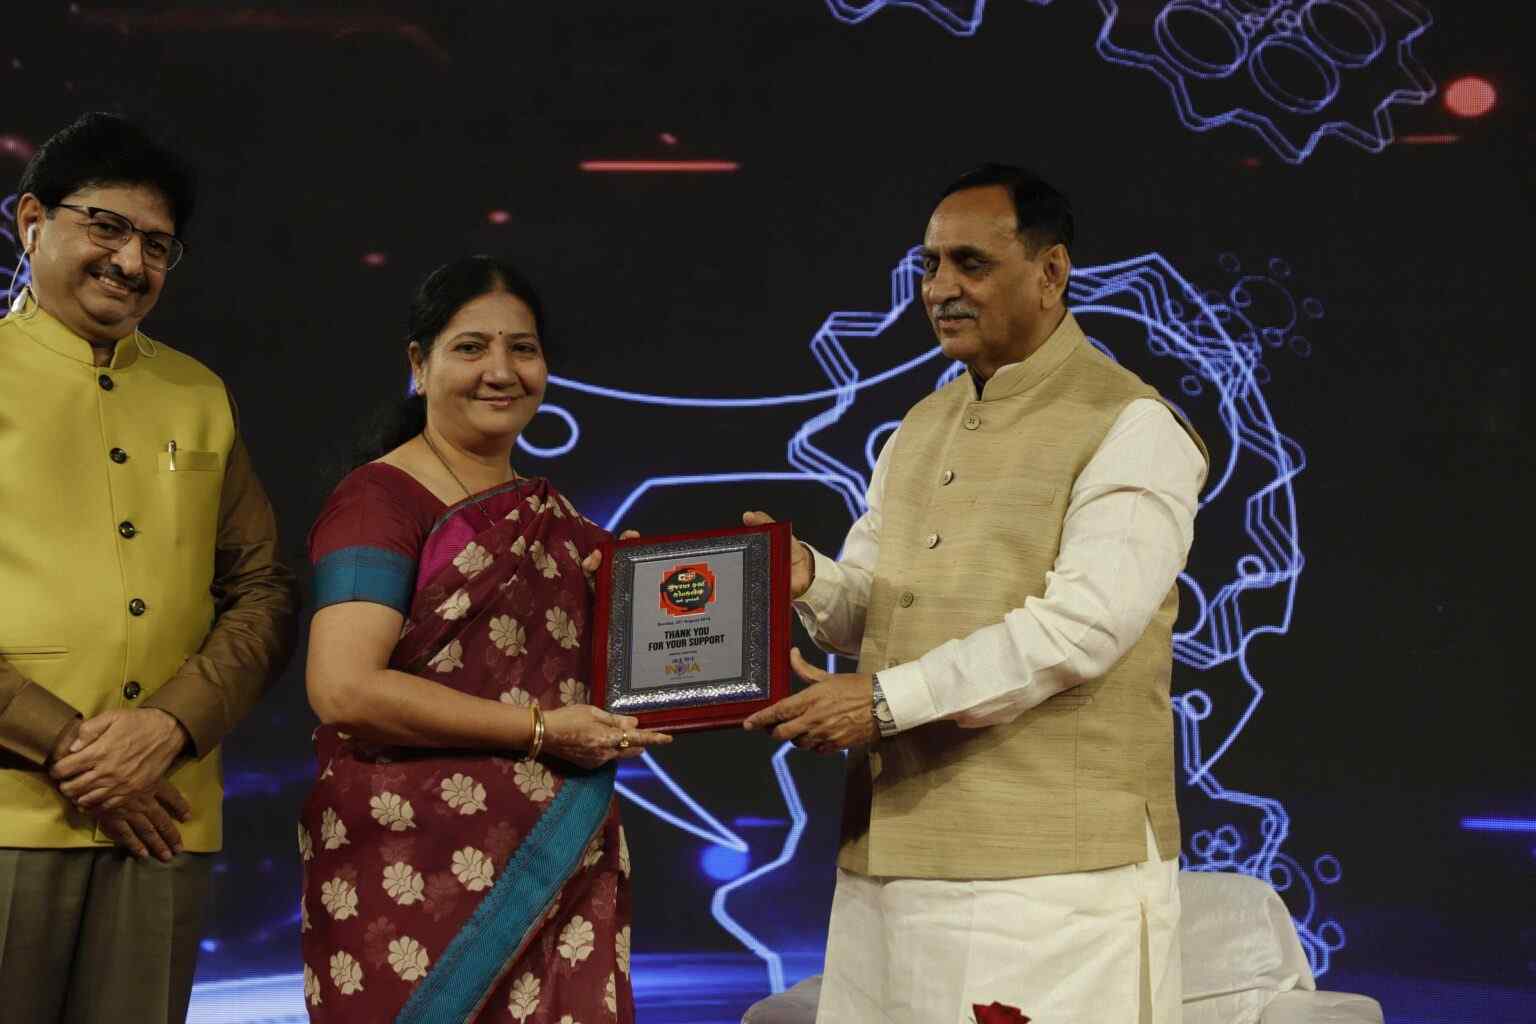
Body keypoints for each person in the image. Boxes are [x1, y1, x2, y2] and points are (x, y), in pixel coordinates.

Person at [742, 164, 1210, 1023]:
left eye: (971, 264)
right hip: (888, 862)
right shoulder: (921, 425)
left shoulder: (1130, 425)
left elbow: (1082, 629)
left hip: (1053, 881)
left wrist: (881, 703)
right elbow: (876, 611)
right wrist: (807, 575)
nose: (939, 289)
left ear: (1051, 271)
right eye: (929, 266)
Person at [301, 254, 671, 1022]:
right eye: (471, 347)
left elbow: (653, 661)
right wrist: (540, 731)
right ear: (419, 364)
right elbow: (344, 688)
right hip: (409, 873)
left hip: (556, 864)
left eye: (522, 349)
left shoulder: (559, 526)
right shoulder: (378, 503)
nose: (501, 371)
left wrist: (740, 592)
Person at [0, 112, 298, 1022]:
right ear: (32, 222)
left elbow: (263, 591)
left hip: (165, 817)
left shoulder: (198, 392)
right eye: (107, 228)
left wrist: (167, 727)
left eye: (157, 245)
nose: (131, 263)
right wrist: (70, 745)